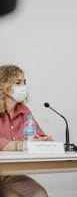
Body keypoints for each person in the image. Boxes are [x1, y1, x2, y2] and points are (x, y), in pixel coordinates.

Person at [0, 64, 53, 197]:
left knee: (40, 194)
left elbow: (39, 136)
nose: (23, 86)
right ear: (4, 86)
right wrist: (19, 145)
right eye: (18, 83)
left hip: (11, 173)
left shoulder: (25, 111)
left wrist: (43, 140)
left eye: (24, 82)